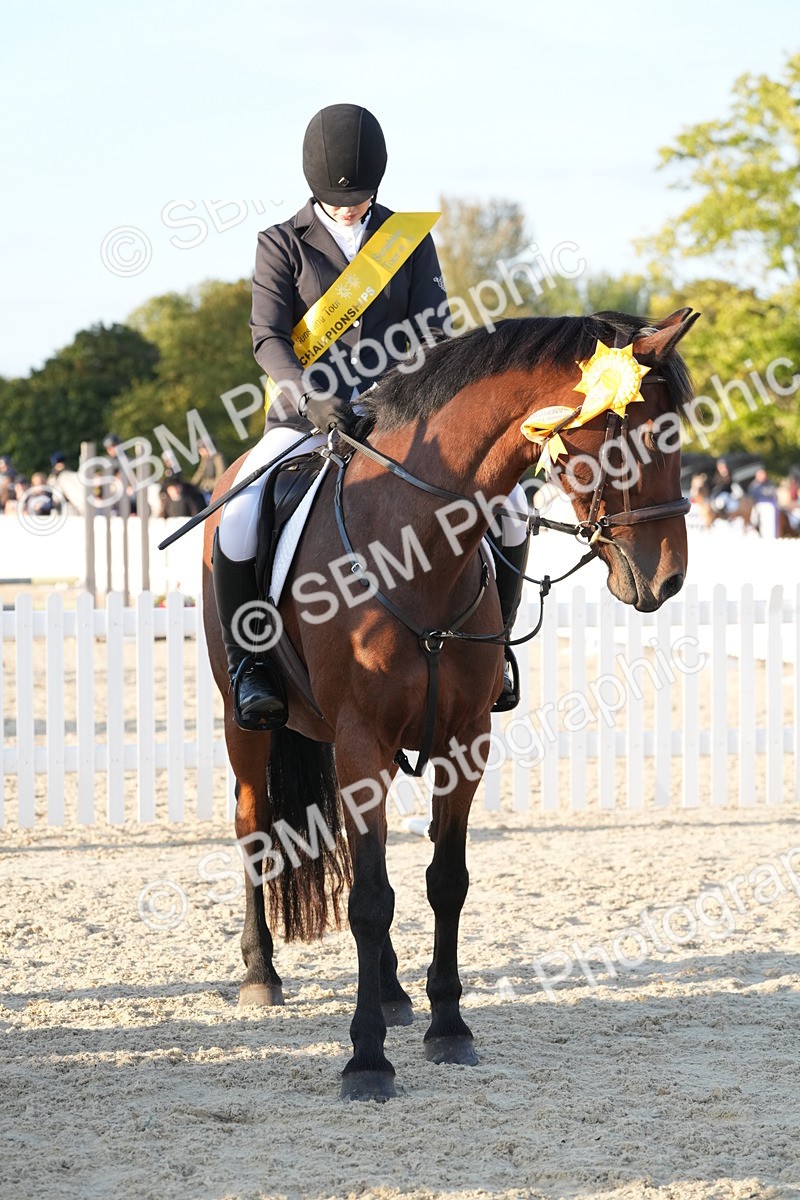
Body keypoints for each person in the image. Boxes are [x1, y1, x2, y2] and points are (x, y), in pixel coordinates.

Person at [214, 103, 529, 731]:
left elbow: (435, 335)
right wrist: (310, 397)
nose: (352, 208)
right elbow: (268, 338)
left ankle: (495, 651)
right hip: (305, 415)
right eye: (341, 199)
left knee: (512, 512)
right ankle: (250, 662)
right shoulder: (280, 243)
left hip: (398, 418)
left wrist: (395, 398)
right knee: (240, 516)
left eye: (361, 197)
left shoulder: (406, 240)